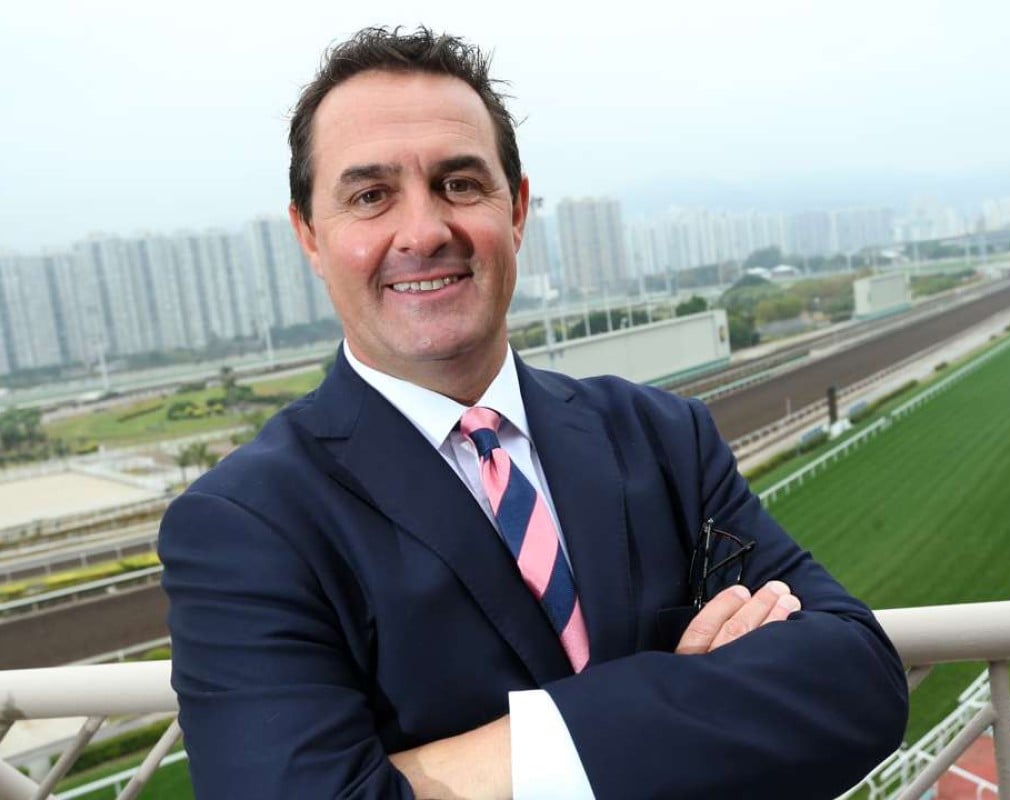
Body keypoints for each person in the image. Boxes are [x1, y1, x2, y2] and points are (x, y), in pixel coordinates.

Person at [158, 26, 907, 800]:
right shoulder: (246, 523)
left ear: (515, 209)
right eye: (371, 196)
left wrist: (444, 771)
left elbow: (861, 681)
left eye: (459, 184)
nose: (425, 232)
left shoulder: (664, 439)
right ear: (310, 237)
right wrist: (683, 694)